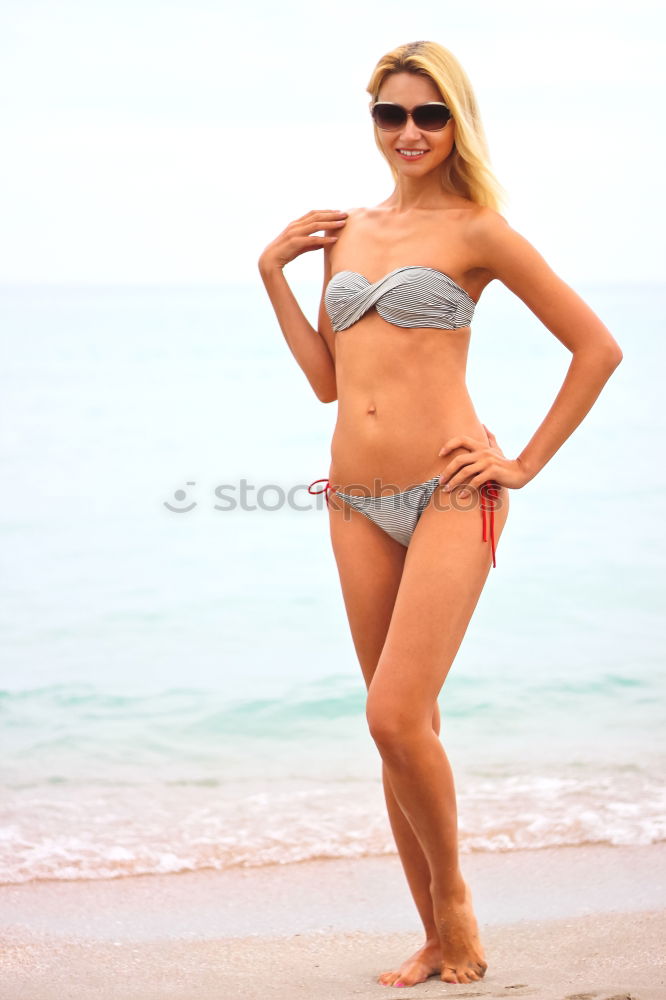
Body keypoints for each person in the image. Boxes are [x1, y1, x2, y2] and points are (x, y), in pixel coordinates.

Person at [257, 39, 622, 989]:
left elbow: (597, 348)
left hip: (454, 493)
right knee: (395, 729)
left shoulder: (480, 231)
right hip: (354, 500)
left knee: (393, 711)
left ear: (455, 121)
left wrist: (523, 463)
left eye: (428, 114)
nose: (409, 132)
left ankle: (456, 905)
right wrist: (272, 276)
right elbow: (328, 383)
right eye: (391, 115)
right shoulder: (346, 230)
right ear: (373, 123)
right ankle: (431, 934)